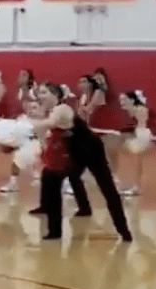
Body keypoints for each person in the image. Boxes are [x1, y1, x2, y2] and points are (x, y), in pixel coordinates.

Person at [30, 83, 132, 242]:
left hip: (91, 149)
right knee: (51, 177)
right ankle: (55, 230)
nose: (40, 96)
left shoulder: (62, 108)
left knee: (107, 188)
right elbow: (47, 138)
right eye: (39, 93)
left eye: (44, 92)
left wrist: (26, 125)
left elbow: (51, 123)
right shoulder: (47, 112)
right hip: (75, 152)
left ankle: (124, 230)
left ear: (55, 95)